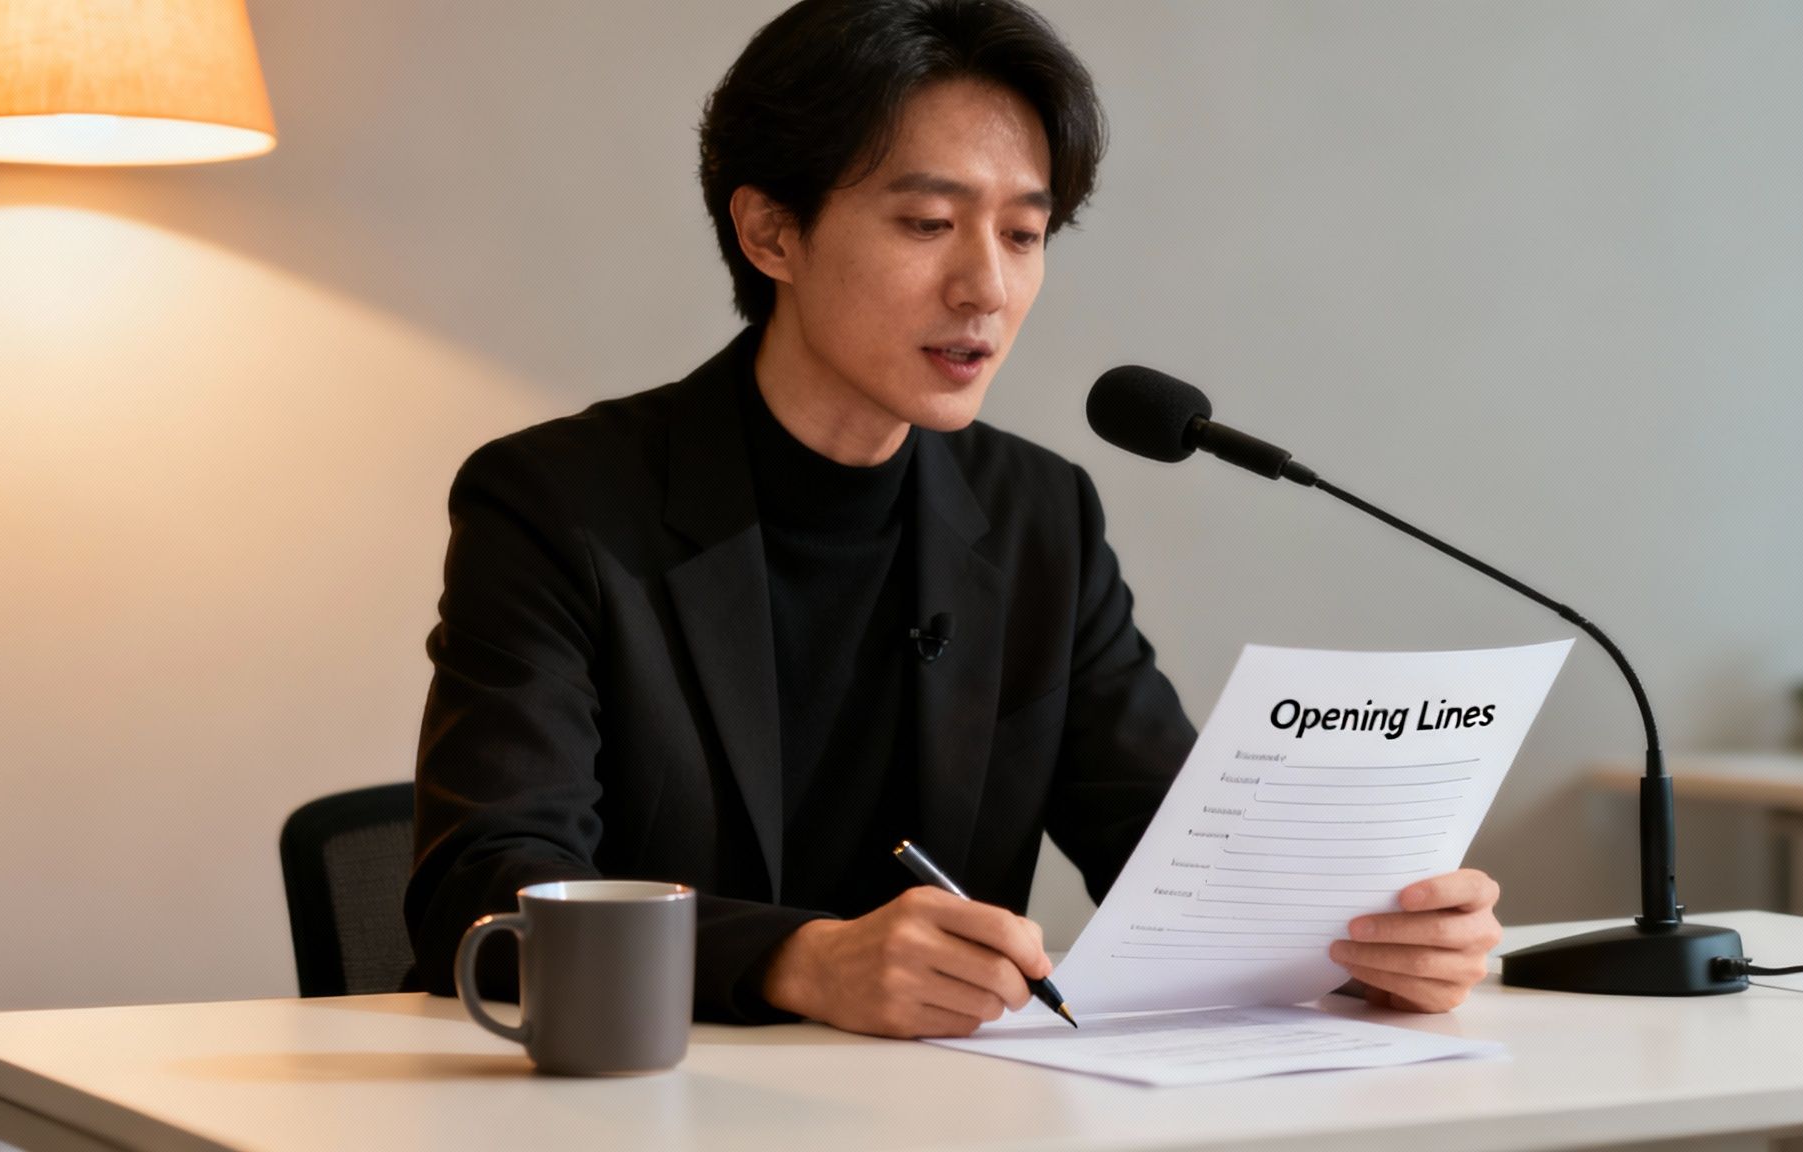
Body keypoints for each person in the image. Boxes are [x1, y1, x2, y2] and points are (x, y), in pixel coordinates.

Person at [405, 0, 1502, 1038]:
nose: (984, 287)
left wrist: (1363, 939)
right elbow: (484, 889)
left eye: (1022, 235)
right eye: (928, 222)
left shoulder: (1036, 516)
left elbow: (1176, 856)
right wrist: (801, 961)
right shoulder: (557, 503)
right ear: (770, 232)